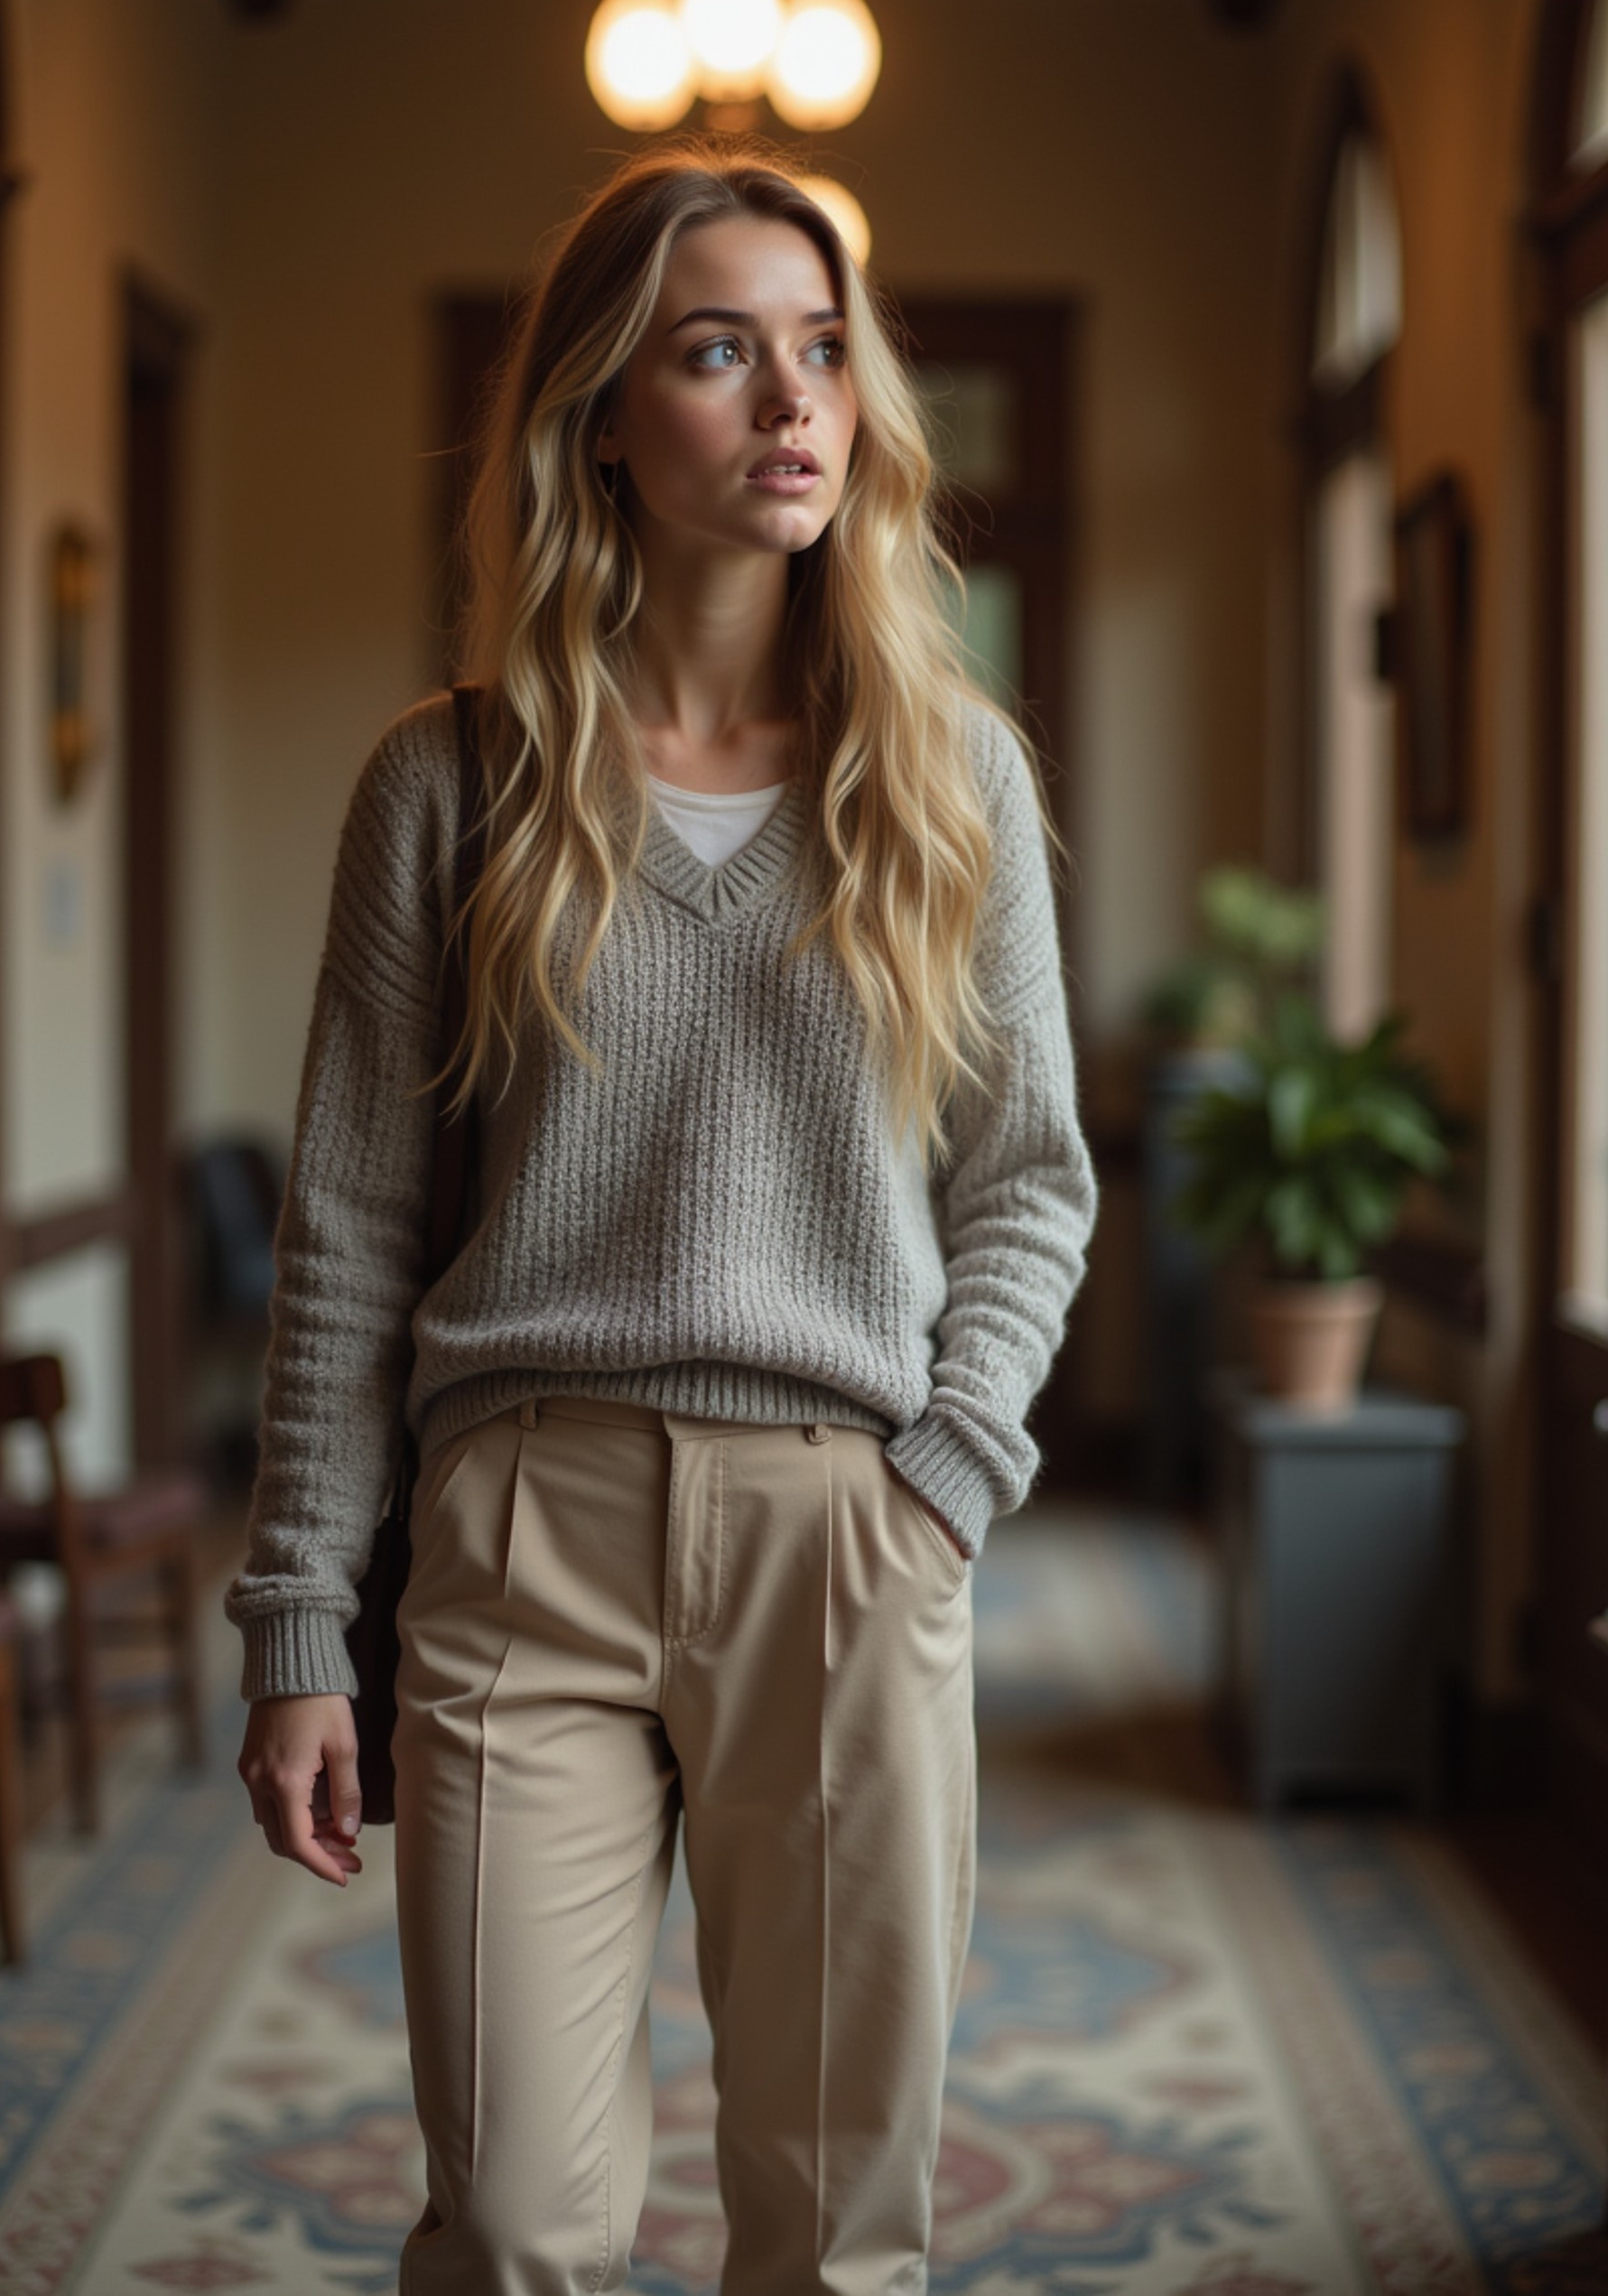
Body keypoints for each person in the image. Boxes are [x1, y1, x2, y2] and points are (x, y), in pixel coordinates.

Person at [227, 131, 1097, 2296]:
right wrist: (295, 1622)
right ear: (602, 416)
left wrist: (942, 1477)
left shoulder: (951, 779)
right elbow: (344, 1222)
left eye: (822, 351)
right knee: (513, 2217)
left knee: (834, 2232)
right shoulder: (447, 783)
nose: (796, 403)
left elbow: (1028, 1181)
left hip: (850, 1526)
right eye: (720, 353)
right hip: (524, 1537)